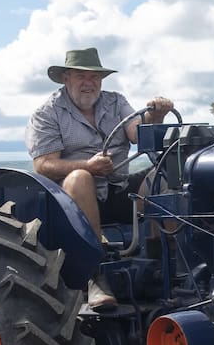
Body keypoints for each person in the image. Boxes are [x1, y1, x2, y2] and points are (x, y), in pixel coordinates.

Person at [26, 47, 174, 308]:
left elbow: (138, 134)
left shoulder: (116, 102)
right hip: (70, 202)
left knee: (161, 175)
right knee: (80, 177)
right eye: (81, 76)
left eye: (94, 77)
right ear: (66, 78)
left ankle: (162, 263)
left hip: (118, 189)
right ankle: (96, 275)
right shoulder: (47, 113)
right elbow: (43, 165)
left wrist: (156, 114)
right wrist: (88, 166)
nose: (89, 83)